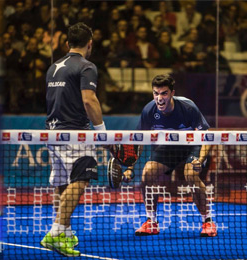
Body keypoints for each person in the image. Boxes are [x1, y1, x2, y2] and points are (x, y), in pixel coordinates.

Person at [123, 74, 217, 237]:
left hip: (191, 146)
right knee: (147, 173)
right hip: (168, 148)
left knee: (190, 175)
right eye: (156, 93)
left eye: (164, 93)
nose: (159, 98)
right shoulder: (149, 111)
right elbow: (138, 140)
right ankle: (151, 222)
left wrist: (200, 160)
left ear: (172, 93)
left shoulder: (188, 107)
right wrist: (130, 167)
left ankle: (207, 221)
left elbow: (206, 136)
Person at [41, 22, 106, 257]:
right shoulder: (87, 66)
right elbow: (89, 100)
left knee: (62, 182)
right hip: (75, 133)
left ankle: (65, 233)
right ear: (90, 44)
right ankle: (56, 232)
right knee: (82, 178)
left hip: (51, 131)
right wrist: (101, 131)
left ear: (68, 43)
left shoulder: (53, 67)